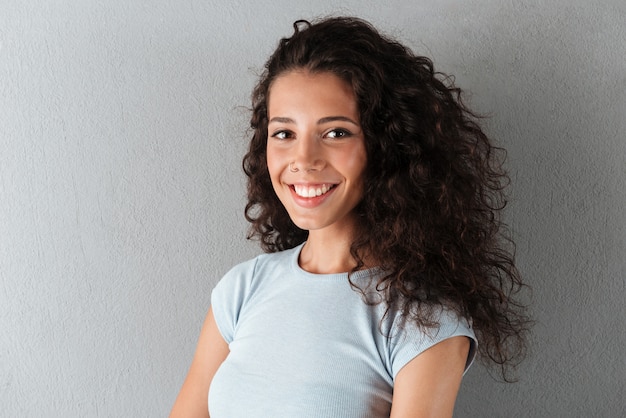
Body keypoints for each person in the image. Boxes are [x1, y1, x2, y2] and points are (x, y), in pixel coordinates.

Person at [170, 16, 530, 418]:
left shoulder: (421, 319)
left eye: (336, 132)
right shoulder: (242, 289)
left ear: (386, 146)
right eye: (284, 133)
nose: (303, 161)